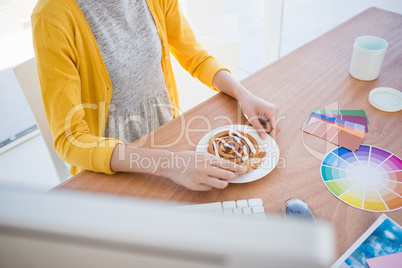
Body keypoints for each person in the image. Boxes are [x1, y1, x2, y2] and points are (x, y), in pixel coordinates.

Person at [32, 0, 280, 191]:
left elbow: (194, 56)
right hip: (111, 171)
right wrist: (167, 164)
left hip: (170, 142)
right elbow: (70, 139)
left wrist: (243, 95)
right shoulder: (52, 18)